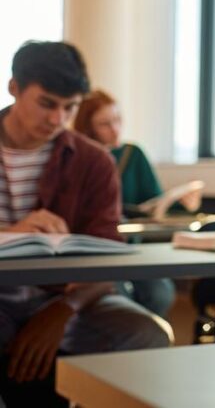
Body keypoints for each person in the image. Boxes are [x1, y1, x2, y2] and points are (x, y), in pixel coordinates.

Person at [0, 42, 171, 398]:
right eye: (47, 103)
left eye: (70, 107)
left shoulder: (94, 161)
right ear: (14, 87)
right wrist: (10, 234)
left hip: (63, 298)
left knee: (146, 333)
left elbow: (107, 258)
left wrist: (63, 310)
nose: (57, 120)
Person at [72, 90, 176, 319]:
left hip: (130, 242)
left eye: (117, 120)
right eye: (105, 124)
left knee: (161, 293)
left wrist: (177, 201)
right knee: (116, 297)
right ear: (88, 127)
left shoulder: (132, 154)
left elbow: (154, 199)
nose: (115, 129)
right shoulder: (79, 158)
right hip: (96, 246)